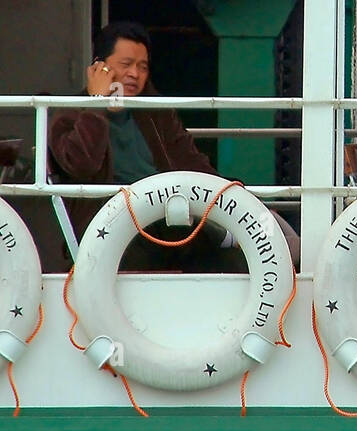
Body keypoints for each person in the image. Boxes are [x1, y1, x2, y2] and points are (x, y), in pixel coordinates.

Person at [49, 21, 300, 271]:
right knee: (183, 219)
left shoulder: (153, 110)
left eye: (142, 66)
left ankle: (246, 234)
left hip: (167, 220)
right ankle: (230, 233)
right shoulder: (69, 115)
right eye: (126, 64)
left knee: (231, 260)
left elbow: (190, 161)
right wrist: (97, 104)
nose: (135, 74)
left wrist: (235, 197)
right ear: (98, 67)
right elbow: (82, 165)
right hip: (113, 229)